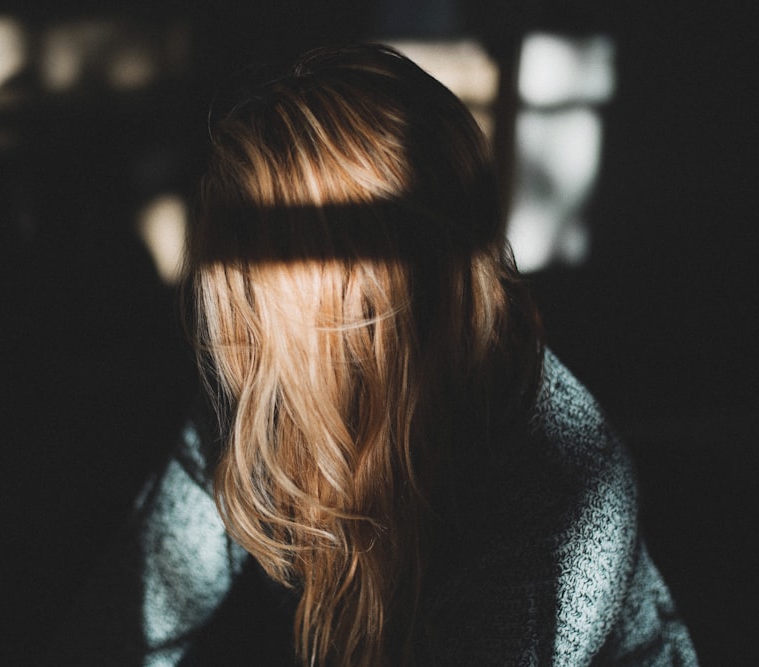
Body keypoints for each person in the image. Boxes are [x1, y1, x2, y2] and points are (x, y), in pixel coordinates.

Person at [50, 43, 698, 666]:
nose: (232, 337)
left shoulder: (556, 500)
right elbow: (130, 621)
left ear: (353, 323)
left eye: (256, 297)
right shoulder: (265, 382)